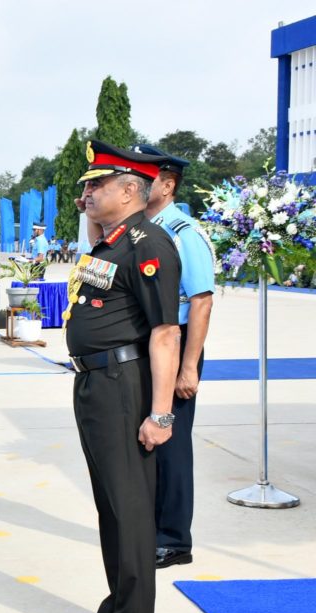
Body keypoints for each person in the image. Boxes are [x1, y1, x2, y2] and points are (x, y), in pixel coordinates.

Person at [63, 140, 181, 613]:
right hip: (93, 382)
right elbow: (92, 280)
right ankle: (117, 605)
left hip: (123, 384)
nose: (86, 193)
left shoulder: (148, 243)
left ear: (130, 189)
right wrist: (91, 217)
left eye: (97, 185)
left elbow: (164, 333)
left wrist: (160, 413)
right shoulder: (110, 243)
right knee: (109, 503)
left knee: (130, 506)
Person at [134, 144, 216, 570]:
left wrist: (188, 366)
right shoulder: (143, 229)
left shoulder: (183, 232)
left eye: (144, 178)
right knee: (148, 436)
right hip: (150, 340)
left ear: (166, 185)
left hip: (178, 342)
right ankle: (152, 527)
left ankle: (174, 539)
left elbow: (201, 301)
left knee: (173, 442)